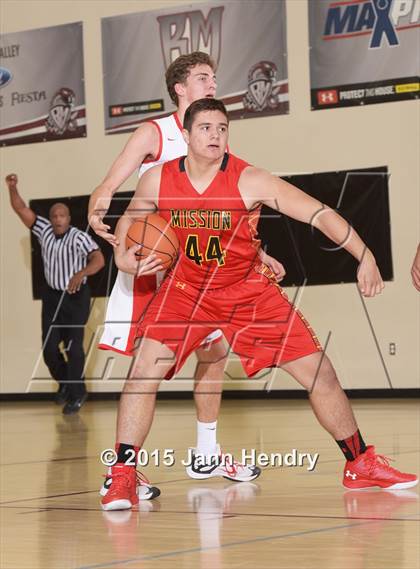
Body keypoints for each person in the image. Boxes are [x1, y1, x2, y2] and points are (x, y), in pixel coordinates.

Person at [101, 98, 418, 510]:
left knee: (320, 373)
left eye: (222, 128)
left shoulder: (250, 179)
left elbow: (318, 213)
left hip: (247, 291)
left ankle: (360, 463)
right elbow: (131, 219)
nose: (215, 135)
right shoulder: (158, 180)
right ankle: (123, 473)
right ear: (187, 135)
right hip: (187, 292)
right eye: (206, 128)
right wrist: (125, 253)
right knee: (143, 371)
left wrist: (365, 254)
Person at [89, 53, 284, 493]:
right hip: (155, 265)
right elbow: (109, 183)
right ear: (179, 87)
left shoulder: (213, 139)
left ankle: (206, 452)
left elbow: (227, 210)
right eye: (202, 77)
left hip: (202, 271)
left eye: (214, 76)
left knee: (214, 355)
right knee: (147, 368)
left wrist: (257, 254)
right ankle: (120, 471)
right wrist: (99, 208)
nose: (212, 83)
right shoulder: (153, 132)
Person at [6, 174, 105, 414]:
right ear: (50, 219)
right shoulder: (43, 230)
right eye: (54, 216)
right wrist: (13, 188)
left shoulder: (79, 237)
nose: (58, 219)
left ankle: (76, 394)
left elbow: (99, 259)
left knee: (73, 347)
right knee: (49, 348)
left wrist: (81, 273)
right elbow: (20, 209)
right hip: (52, 297)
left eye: (62, 216)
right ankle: (65, 384)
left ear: (68, 219)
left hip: (75, 298)